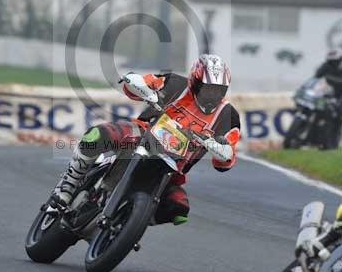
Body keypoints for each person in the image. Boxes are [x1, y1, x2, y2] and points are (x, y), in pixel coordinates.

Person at [51, 54, 241, 225]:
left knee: (179, 208)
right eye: (207, 89)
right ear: (195, 82)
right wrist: (141, 87)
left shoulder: (229, 115)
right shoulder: (174, 83)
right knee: (97, 136)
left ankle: (127, 223)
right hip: (141, 135)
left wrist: (221, 149)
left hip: (173, 167)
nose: (212, 95)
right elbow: (136, 84)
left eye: (218, 90)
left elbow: (225, 161)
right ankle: (67, 186)